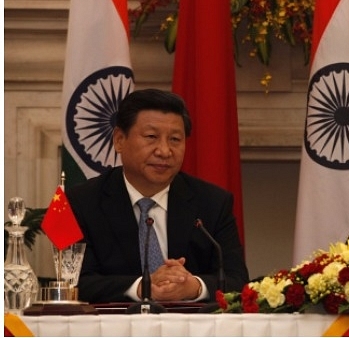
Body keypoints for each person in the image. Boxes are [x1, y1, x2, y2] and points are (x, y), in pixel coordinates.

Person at [67, 88, 249, 303]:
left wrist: (194, 287)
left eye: (174, 139)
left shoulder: (212, 203)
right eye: (151, 137)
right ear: (119, 140)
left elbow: (237, 279)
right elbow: (74, 282)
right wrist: (143, 287)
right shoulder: (81, 202)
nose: (164, 151)